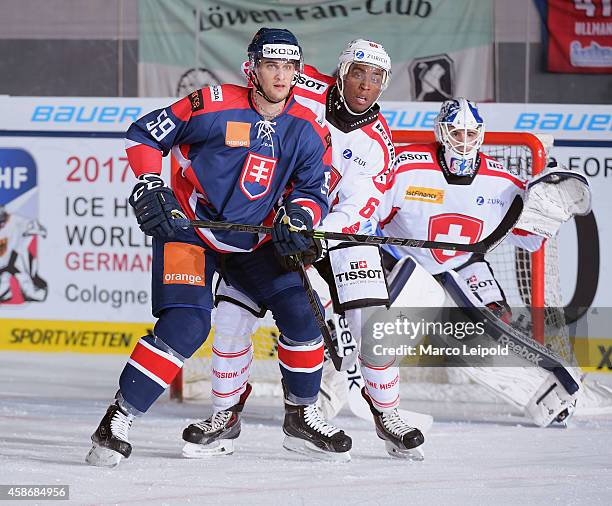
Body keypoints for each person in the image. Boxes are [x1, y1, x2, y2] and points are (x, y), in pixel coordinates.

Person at [86, 27, 353, 467]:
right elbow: (144, 134)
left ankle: (302, 415)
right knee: (187, 326)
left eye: (289, 66)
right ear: (252, 68)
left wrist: (299, 219)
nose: (281, 76)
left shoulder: (308, 127)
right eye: (272, 65)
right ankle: (118, 418)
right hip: (190, 229)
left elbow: (312, 188)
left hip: (253, 240)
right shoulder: (212, 103)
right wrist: (152, 182)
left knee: (303, 312)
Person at [183, 39, 426, 461]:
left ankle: (387, 414)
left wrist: (315, 231)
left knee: (373, 326)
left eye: (375, 78)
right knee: (232, 317)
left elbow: (362, 205)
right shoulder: (303, 84)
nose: (364, 85)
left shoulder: (378, 143)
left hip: (340, 238)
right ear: (342, 70)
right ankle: (225, 415)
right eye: (357, 73)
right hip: (269, 228)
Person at [363, 97, 591, 427]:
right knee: (373, 327)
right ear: (442, 134)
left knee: (494, 328)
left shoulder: (504, 182)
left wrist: (547, 219)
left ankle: (543, 390)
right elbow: (368, 216)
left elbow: (527, 237)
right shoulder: (405, 167)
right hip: (403, 264)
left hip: (463, 263)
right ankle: (335, 385)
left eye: (471, 134)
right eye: (457, 133)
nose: (465, 142)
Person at [0, 206, 48, 304]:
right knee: (5, 271)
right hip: (6, 262)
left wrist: (33, 231)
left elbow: (40, 229)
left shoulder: (18, 221)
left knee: (19, 267)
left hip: (19, 257)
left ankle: (30, 290)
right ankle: (5, 289)